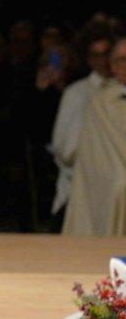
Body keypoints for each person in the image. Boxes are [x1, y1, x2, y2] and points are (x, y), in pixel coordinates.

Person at [49, 20, 115, 226]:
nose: (103, 61)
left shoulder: (119, 91)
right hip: (82, 183)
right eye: (97, 55)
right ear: (88, 59)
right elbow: (65, 150)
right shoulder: (77, 93)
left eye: (107, 54)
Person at [62, 37, 126, 236]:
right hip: (113, 172)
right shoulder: (100, 101)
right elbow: (98, 150)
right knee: (120, 187)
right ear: (113, 66)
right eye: (122, 59)